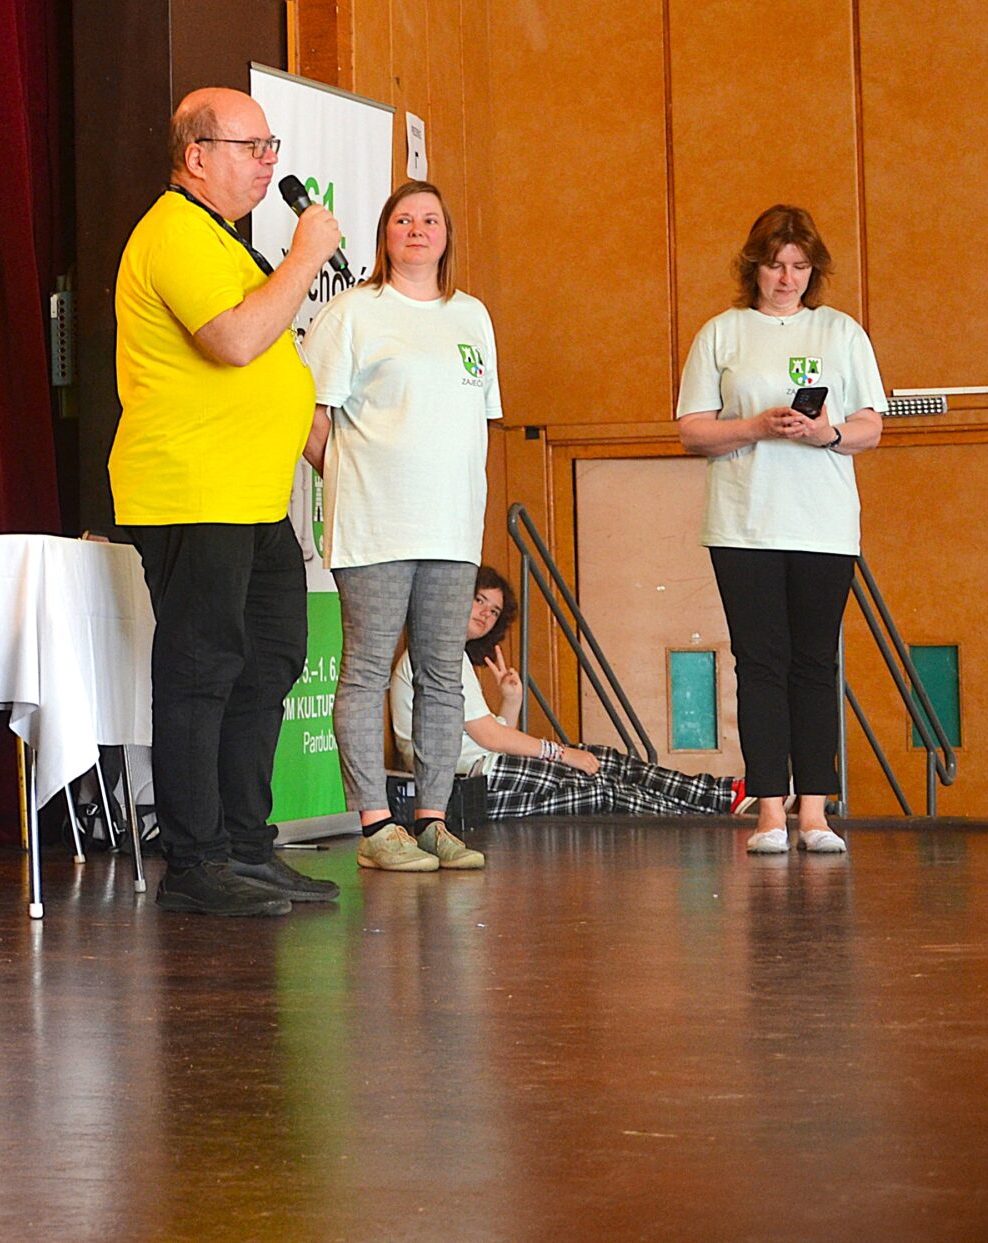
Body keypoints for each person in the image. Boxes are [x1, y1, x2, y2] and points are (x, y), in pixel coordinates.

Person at [109, 87, 339, 918]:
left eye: (272, 146)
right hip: (192, 491)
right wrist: (306, 256)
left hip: (252, 499)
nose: (269, 162)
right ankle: (196, 861)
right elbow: (236, 340)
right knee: (202, 672)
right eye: (252, 147)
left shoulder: (224, 241)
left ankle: (246, 844)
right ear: (196, 156)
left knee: (270, 659)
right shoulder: (175, 230)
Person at [301, 179, 499, 875]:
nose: (417, 229)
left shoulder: (472, 316)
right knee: (365, 670)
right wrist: (348, 479)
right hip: (375, 528)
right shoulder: (354, 312)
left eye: (430, 220)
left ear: (447, 235)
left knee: (443, 676)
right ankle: (375, 824)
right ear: (385, 234)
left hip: (452, 530)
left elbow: (478, 420)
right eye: (403, 219)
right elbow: (308, 414)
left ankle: (433, 821)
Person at [676, 205, 884, 857]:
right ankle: (769, 811)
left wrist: (827, 433)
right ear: (754, 268)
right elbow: (692, 430)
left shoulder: (841, 331)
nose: (787, 277)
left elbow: (870, 425)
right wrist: (756, 427)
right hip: (744, 523)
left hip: (823, 523)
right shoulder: (722, 332)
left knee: (815, 661)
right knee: (760, 662)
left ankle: (816, 811)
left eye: (799, 265)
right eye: (774, 265)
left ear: (813, 269)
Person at [393, 568, 748, 820]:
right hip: (463, 784)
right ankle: (709, 817)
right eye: (478, 600)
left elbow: (484, 738)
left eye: (494, 611)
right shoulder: (437, 653)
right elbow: (489, 738)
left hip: (482, 768)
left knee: (605, 759)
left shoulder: (450, 654)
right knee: (601, 788)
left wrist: (511, 701)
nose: (485, 614)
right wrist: (562, 754)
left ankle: (722, 794)